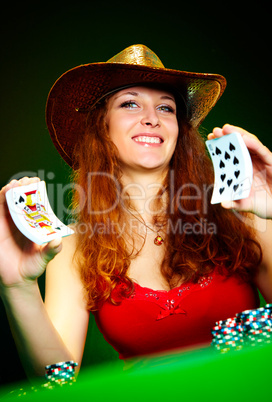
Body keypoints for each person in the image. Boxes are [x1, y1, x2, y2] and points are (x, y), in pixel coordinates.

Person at [1, 44, 272, 379]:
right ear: (102, 126)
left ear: (179, 131)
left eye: (166, 108)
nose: (151, 118)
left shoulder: (242, 213)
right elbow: (57, 382)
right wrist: (16, 287)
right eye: (130, 103)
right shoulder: (74, 251)